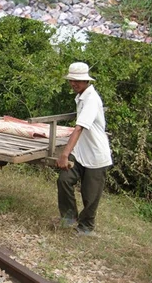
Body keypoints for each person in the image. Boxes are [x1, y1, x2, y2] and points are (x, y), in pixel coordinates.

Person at [57, 62, 112, 236]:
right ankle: (69, 217)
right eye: (72, 80)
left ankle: (86, 228)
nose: (74, 83)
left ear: (86, 81)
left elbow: (79, 127)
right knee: (64, 179)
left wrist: (64, 154)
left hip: (96, 155)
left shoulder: (91, 99)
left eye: (78, 81)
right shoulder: (81, 96)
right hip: (81, 153)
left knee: (90, 195)